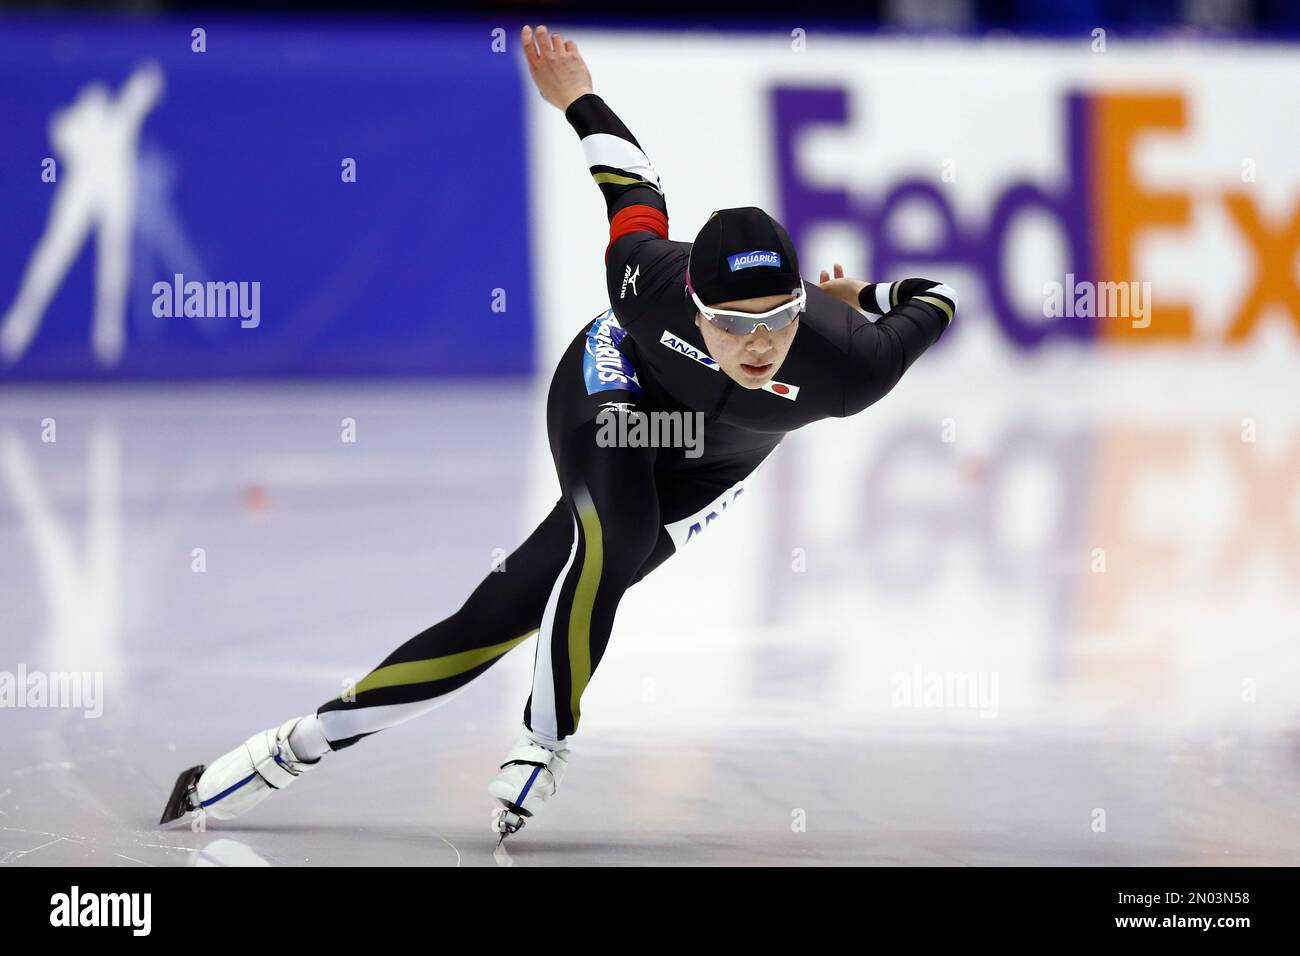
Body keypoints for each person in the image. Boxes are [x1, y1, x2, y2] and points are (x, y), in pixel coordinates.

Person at [159, 24, 957, 839]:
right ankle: (545, 740)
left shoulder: (851, 365)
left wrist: (869, 294)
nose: (758, 345)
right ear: (694, 307)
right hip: (611, 391)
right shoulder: (648, 281)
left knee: (507, 609)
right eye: (730, 323)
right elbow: (631, 186)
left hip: (712, 460)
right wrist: (577, 96)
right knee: (613, 538)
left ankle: (287, 748)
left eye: (779, 319)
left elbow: (939, 300)